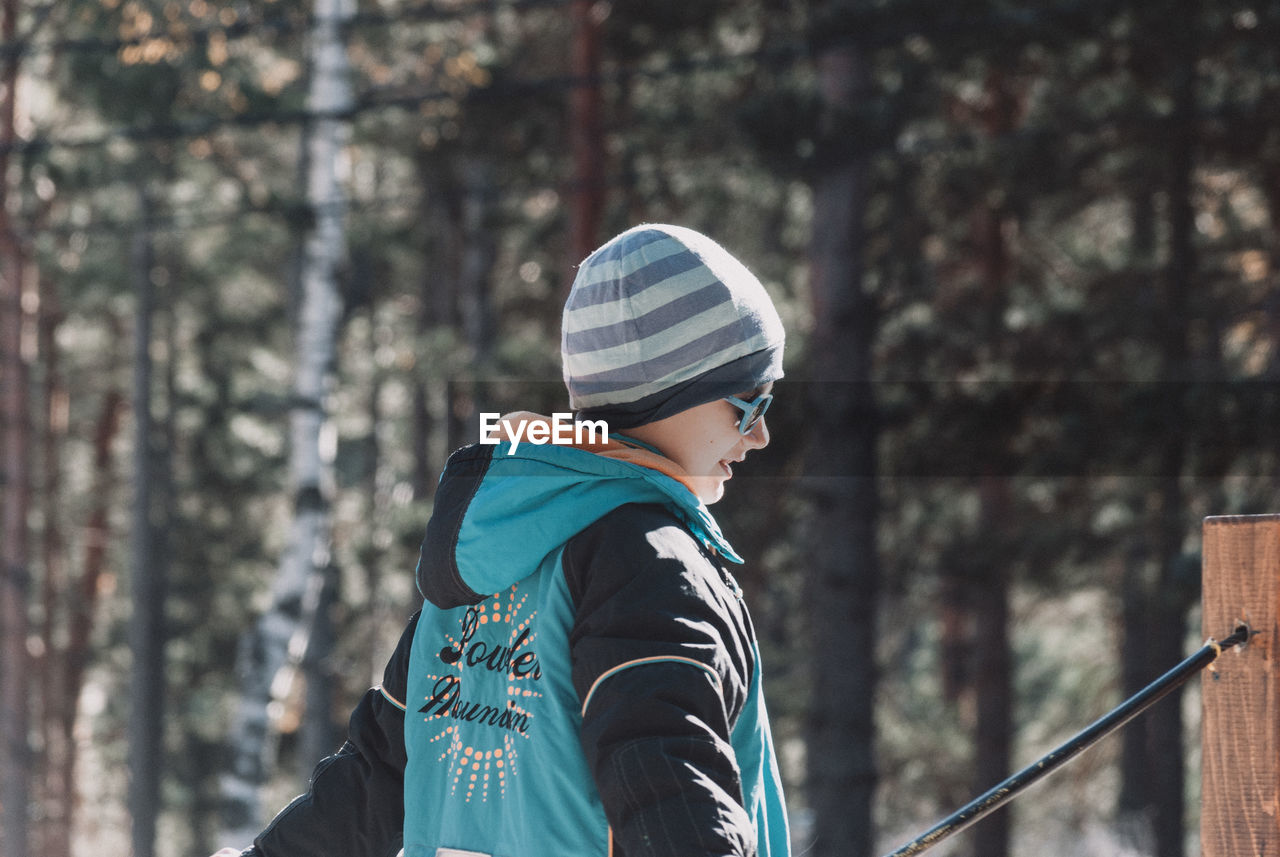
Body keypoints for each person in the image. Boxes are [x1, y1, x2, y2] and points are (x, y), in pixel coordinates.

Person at [213, 223, 791, 857]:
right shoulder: (653, 563)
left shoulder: (488, 550)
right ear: (674, 396)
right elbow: (668, 787)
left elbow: (373, 781)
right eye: (750, 404)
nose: (760, 436)